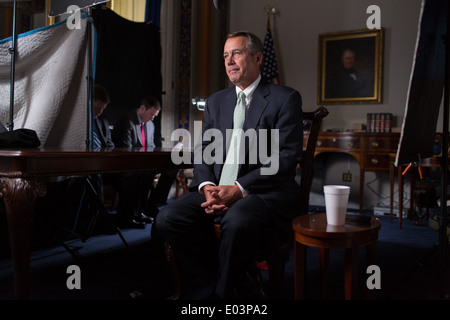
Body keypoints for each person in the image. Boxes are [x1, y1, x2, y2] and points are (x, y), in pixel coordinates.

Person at [155, 31, 303, 299]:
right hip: (218, 188)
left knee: (235, 221)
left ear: (258, 58)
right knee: (168, 218)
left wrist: (238, 188)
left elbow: (285, 158)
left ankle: (221, 296)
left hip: (265, 191)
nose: (229, 61)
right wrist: (208, 185)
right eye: (225, 55)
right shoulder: (215, 102)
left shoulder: (285, 98)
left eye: (237, 53)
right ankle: (238, 278)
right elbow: (205, 152)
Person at [112, 96, 178, 229]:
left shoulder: (150, 125)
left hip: (144, 164)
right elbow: (126, 149)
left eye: (155, 115)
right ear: (143, 108)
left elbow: (151, 147)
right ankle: (129, 215)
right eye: (151, 114)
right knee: (139, 174)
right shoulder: (127, 121)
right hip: (126, 165)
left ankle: (151, 205)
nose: (153, 118)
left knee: (172, 167)